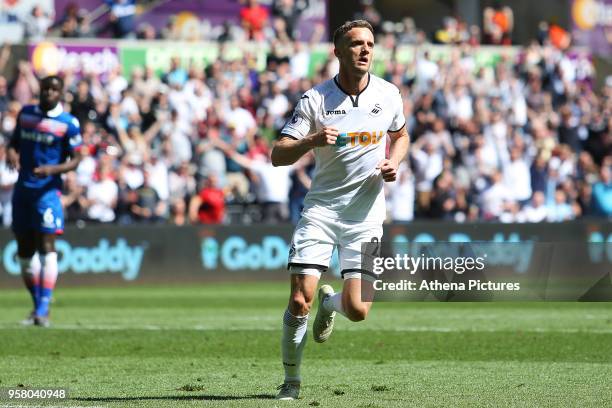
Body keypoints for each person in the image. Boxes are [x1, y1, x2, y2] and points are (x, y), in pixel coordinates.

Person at [270, 20, 409, 400]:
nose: (365, 50)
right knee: (300, 299)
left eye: (369, 44)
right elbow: (277, 154)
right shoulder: (315, 100)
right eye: (355, 44)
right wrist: (311, 140)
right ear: (337, 51)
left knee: (359, 309)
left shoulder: (389, 94)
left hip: (365, 219)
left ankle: (331, 306)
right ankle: (291, 382)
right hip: (321, 212)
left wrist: (394, 161)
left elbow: (400, 135)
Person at [7, 75, 83, 327]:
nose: (49, 93)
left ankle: (43, 309)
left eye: (54, 89)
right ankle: (36, 304)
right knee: (25, 254)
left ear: (61, 93)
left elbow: (76, 159)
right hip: (22, 191)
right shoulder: (26, 114)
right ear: (39, 90)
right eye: (45, 89)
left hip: (48, 194)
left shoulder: (68, 123)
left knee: (46, 246)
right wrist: (11, 153)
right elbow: (14, 142)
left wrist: (53, 170)